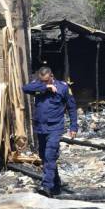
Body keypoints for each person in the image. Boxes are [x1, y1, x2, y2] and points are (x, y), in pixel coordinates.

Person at [22, 66, 77, 197]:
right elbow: (25, 88)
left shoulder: (63, 87)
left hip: (55, 127)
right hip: (40, 128)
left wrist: (73, 127)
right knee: (44, 158)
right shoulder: (38, 86)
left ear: (51, 76)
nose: (44, 83)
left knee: (50, 155)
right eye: (42, 81)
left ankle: (46, 187)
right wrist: (45, 87)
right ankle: (56, 186)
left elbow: (72, 108)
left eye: (47, 81)